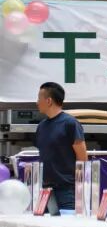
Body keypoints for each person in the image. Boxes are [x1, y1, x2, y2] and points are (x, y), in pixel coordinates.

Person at [33, 82, 87, 212]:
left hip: (67, 190)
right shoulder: (41, 126)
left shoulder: (70, 124)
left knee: (68, 223)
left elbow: (82, 158)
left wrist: (79, 188)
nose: (37, 102)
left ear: (49, 101)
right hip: (45, 190)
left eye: (39, 98)